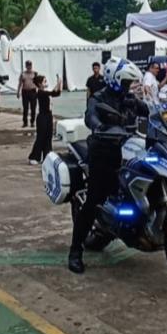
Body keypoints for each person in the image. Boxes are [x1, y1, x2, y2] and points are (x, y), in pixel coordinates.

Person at [68, 57, 146, 274]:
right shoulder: (99, 98)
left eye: (130, 83)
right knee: (94, 199)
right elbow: (90, 117)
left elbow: (149, 110)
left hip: (129, 149)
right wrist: (99, 125)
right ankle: (75, 251)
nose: (128, 87)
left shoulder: (129, 98)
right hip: (104, 151)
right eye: (126, 82)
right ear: (114, 80)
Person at [27, 74, 62, 165]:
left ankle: (47, 156)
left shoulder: (45, 92)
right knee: (41, 137)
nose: (46, 83)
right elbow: (52, 92)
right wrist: (57, 83)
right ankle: (34, 156)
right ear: (39, 84)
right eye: (44, 81)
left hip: (49, 116)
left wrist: (60, 83)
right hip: (42, 117)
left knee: (48, 137)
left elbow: (56, 93)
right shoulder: (40, 92)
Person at [18, 60, 38, 128]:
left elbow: (38, 83)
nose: (29, 67)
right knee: (25, 108)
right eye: (28, 66)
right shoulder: (23, 74)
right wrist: (18, 92)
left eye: (30, 65)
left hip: (33, 91)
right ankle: (25, 122)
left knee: (33, 108)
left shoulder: (35, 73)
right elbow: (20, 83)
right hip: (25, 92)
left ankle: (32, 122)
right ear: (26, 66)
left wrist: (40, 92)